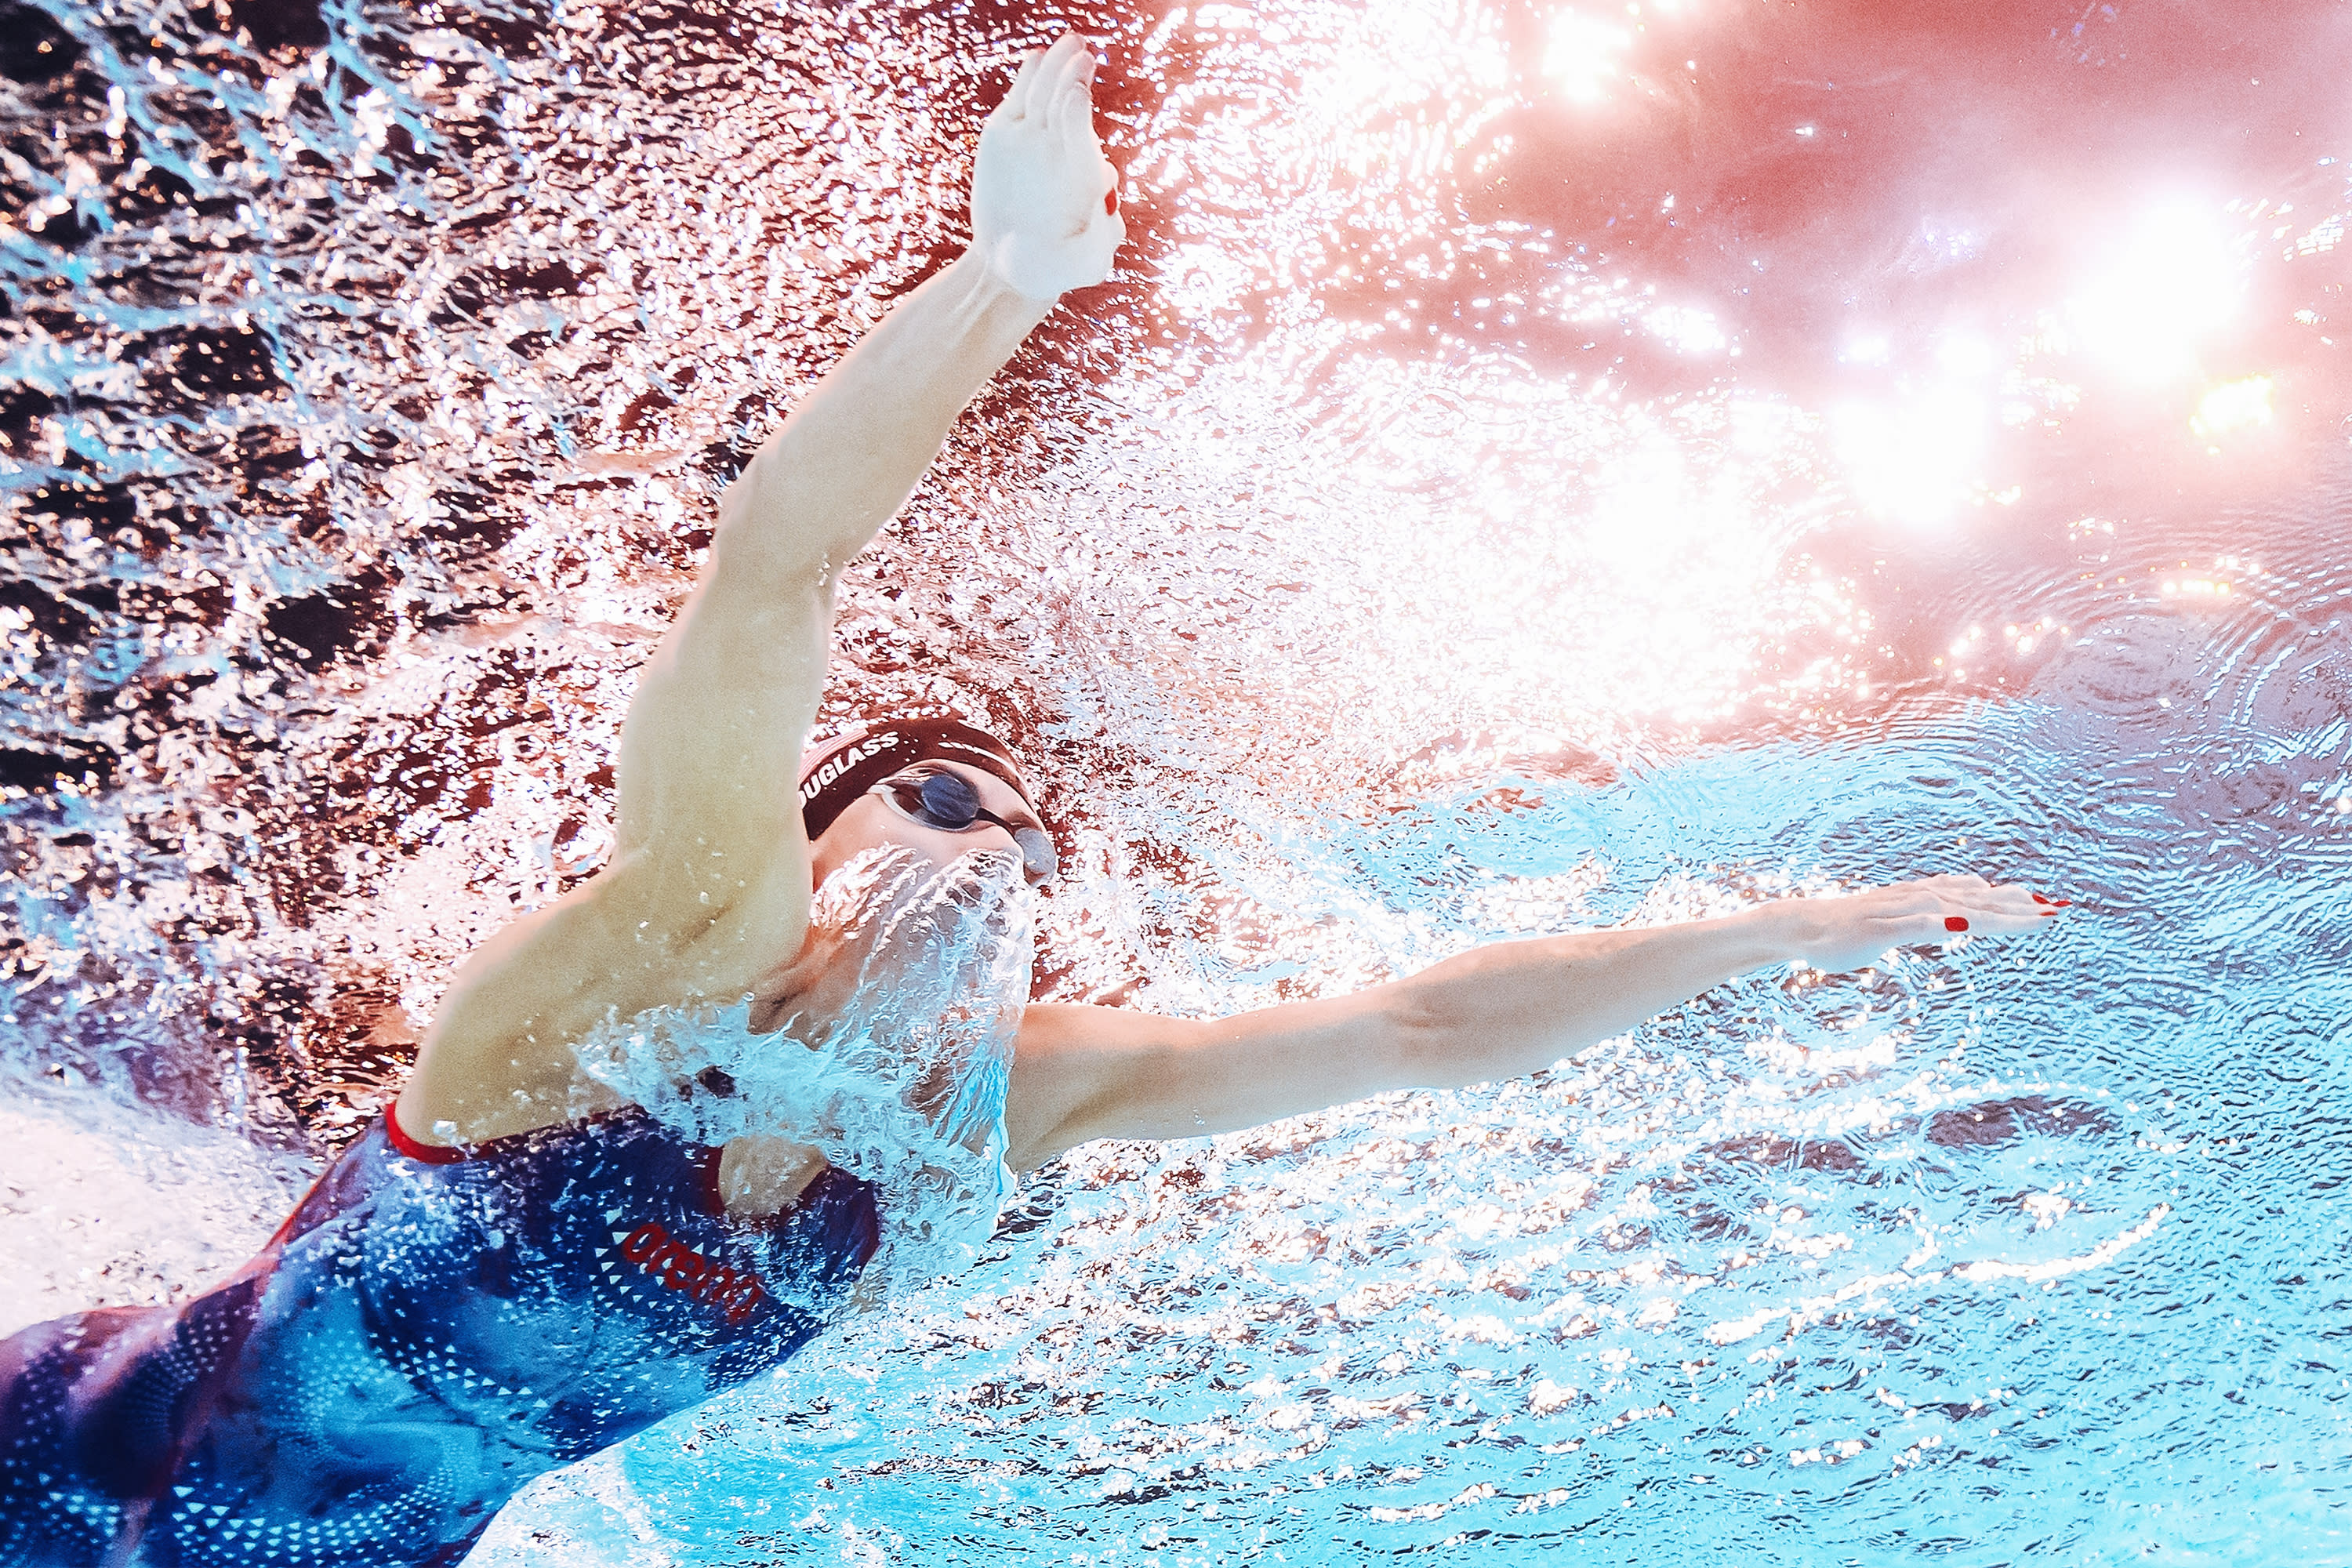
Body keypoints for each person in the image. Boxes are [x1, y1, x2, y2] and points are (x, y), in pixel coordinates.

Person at [0, 34, 2063, 1568]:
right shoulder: (671, 965)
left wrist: (1790, 927)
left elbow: (1429, 1029)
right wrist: (1004, 279)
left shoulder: (986, 1107)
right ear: (813, 855)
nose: (1005, 847)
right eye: (943, 800)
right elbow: (774, 573)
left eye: (1030, 840)